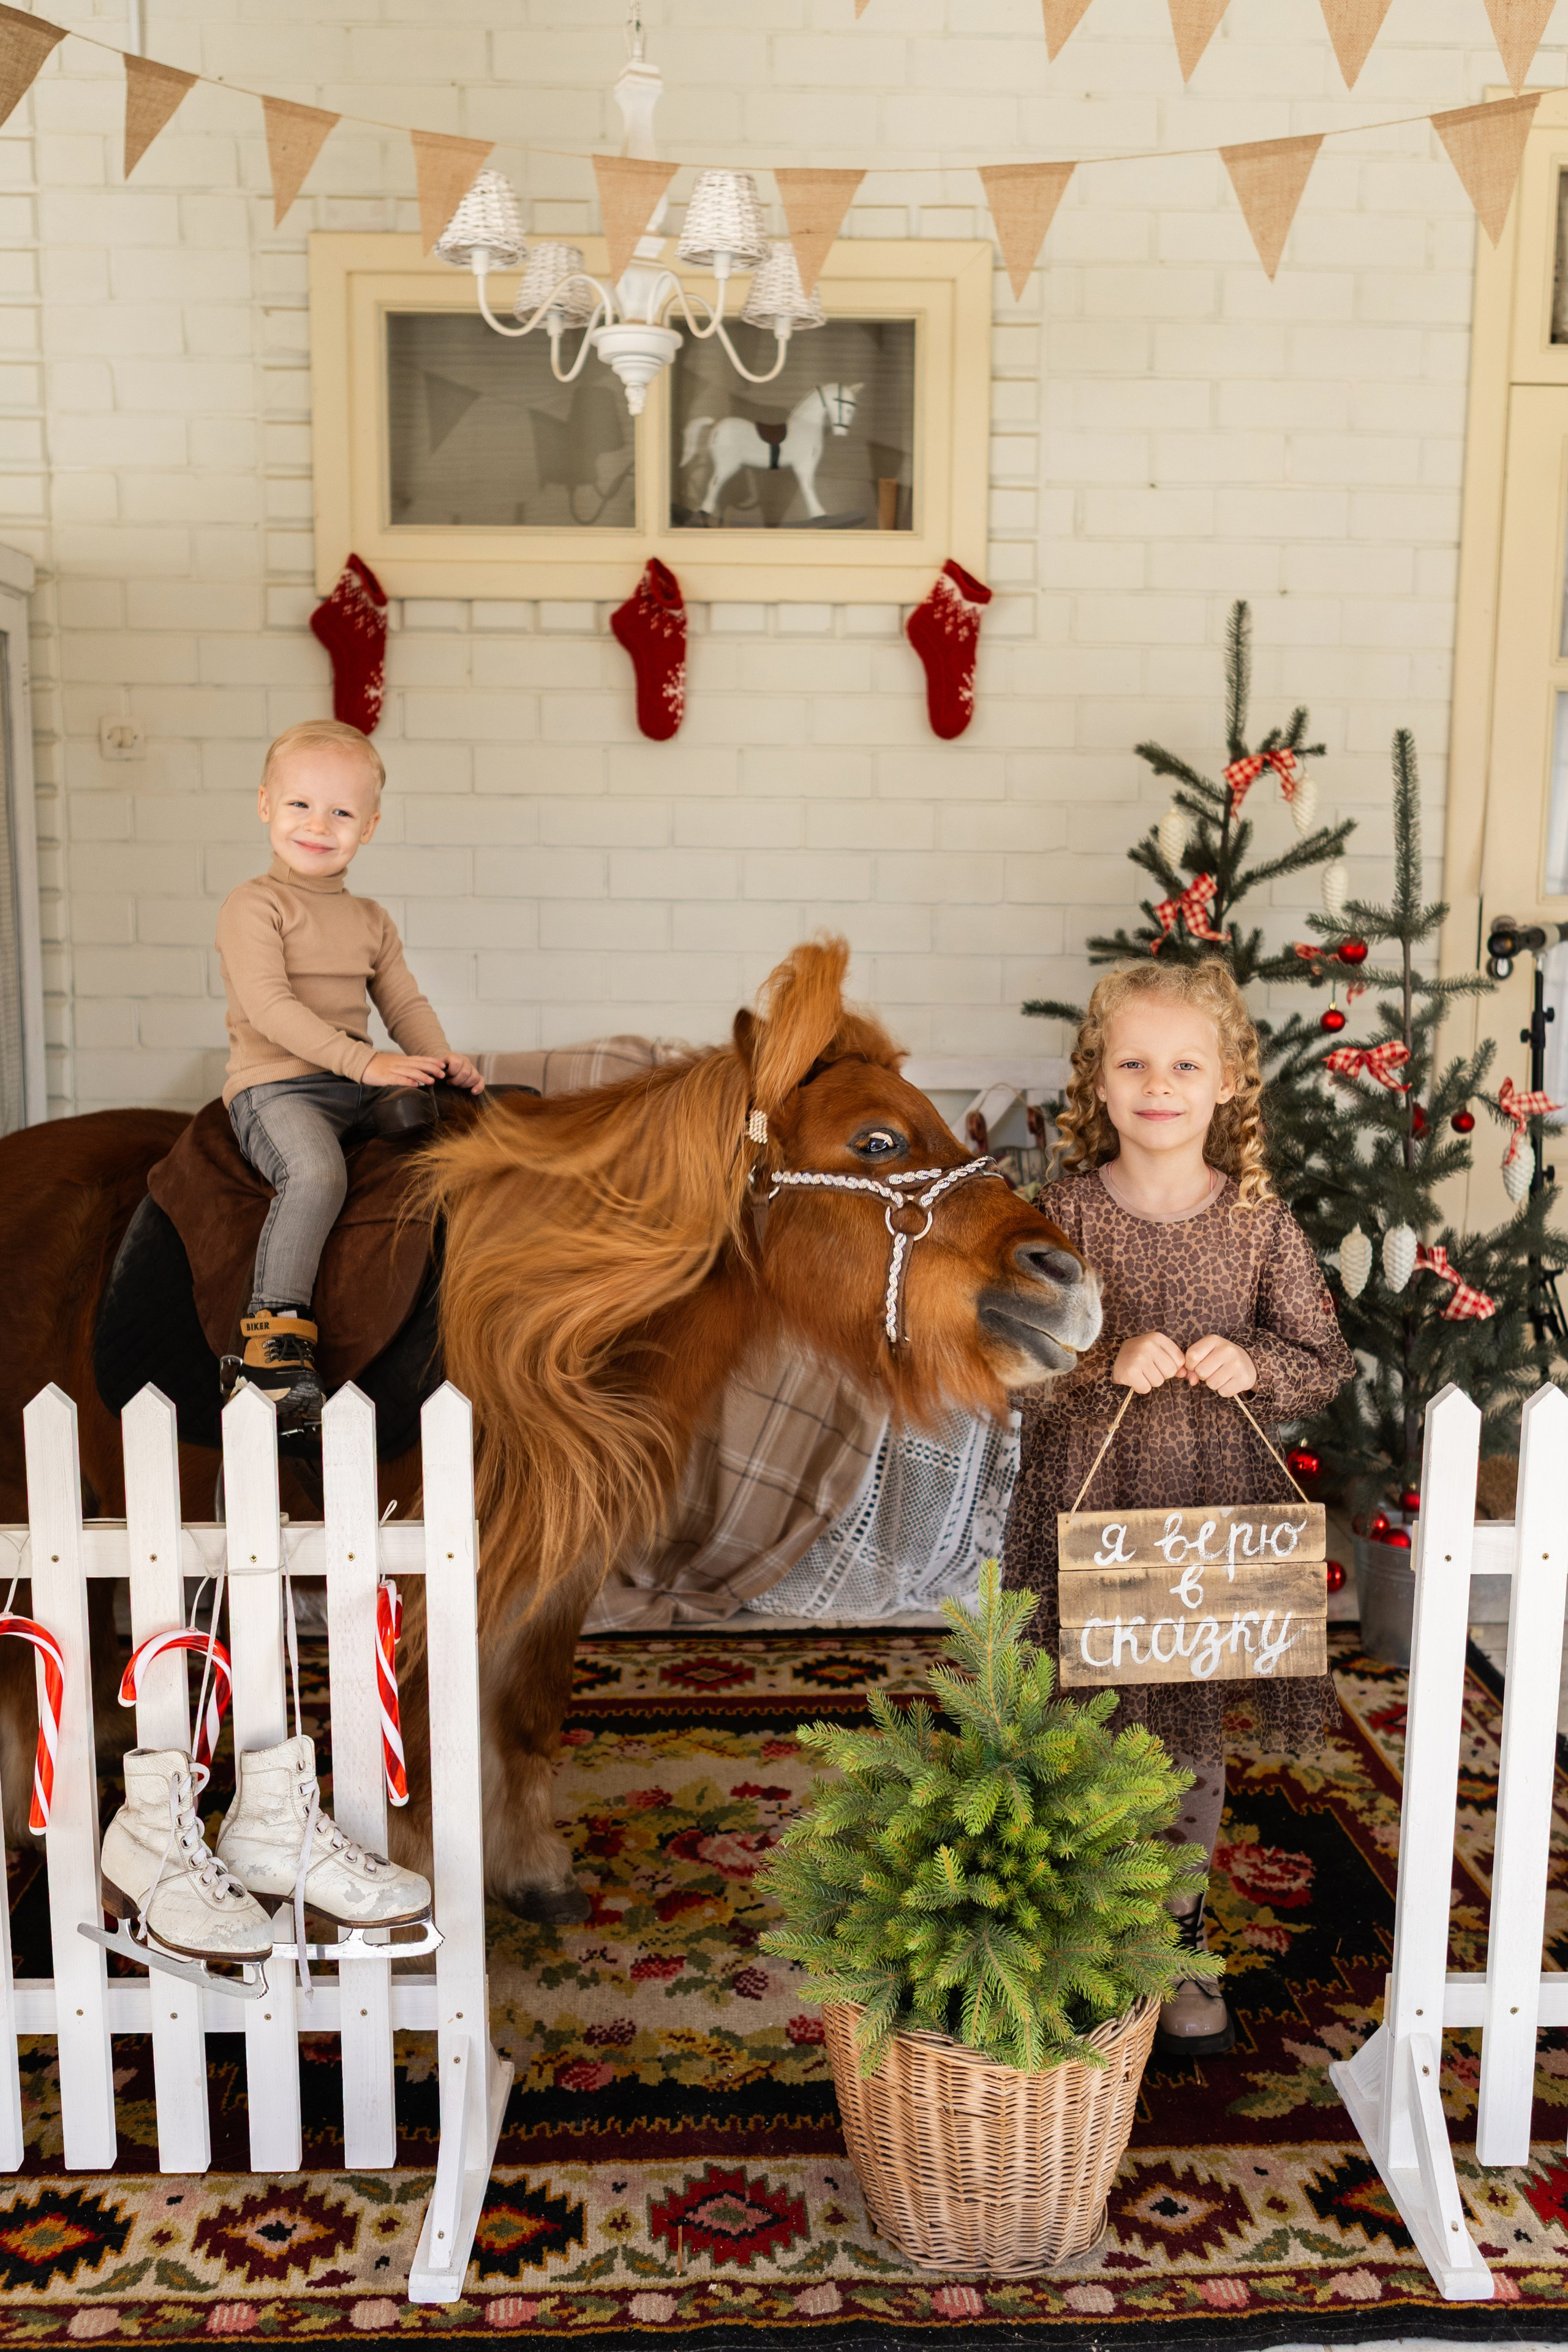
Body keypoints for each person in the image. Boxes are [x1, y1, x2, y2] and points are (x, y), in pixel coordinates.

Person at [1003, 957, 1352, 2059]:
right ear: (1097, 1083)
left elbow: (1323, 1357)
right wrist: (1107, 1355)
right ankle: (1079, 1930)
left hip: (1205, 1517)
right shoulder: (1058, 1213)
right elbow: (1012, 1353)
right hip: (1084, 1503)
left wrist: (1252, 1364)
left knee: (1187, 1734)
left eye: (1186, 1064)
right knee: (1079, 1723)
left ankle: (1177, 1928)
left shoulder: (1256, 1223)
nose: (1160, 1085)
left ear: (1228, 1084)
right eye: (1135, 1063)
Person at [215, 718, 484, 1430]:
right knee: (316, 1175)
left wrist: (441, 1057)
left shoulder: (370, 918)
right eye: (301, 804)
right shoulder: (255, 905)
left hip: (355, 1083)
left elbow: (402, 1001)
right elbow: (271, 1008)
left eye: (341, 812)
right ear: (266, 804)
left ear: (367, 828)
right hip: (278, 1084)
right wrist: (366, 1062)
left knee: (458, 1143)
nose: (318, 824)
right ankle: (272, 1345)